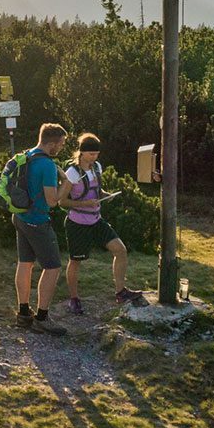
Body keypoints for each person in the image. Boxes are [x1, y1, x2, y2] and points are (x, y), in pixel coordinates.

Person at [61, 132, 147, 312]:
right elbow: (61, 202)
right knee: (76, 261)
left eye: (96, 154)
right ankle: (74, 299)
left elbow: (97, 191)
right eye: (91, 154)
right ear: (82, 153)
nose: (94, 157)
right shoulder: (72, 173)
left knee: (120, 250)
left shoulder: (97, 167)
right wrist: (84, 203)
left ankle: (120, 292)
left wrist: (106, 196)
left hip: (96, 220)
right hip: (77, 223)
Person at [13, 123, 73, 335]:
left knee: (25, 263)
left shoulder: (26, 155)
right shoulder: (47, 165)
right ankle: (42, 317)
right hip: (37, 220)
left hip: (20, 216)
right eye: (62, 144)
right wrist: (66, 182)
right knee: (53, 267)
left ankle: (22, 313)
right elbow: (52, 201)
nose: (62, 147)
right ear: (53, 143)